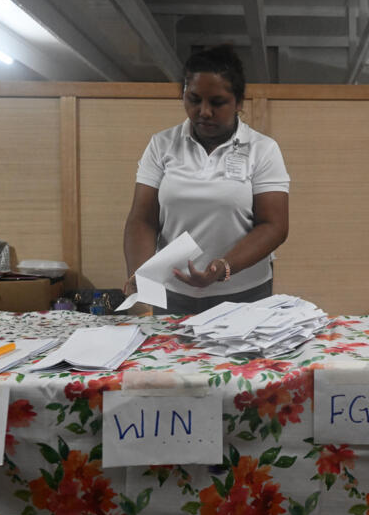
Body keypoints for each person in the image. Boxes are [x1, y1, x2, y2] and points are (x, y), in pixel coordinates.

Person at [123, 44, 290, 315]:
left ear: (238, 102)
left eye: (217, 102)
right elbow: (142, 220)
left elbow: (274, 226)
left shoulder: (262, 149)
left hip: (244, 294)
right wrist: (140, 274)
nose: (204, 111)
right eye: (194, 99)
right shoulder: (162, 145)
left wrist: (223, 267)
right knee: (171, 345)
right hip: (173, 292)